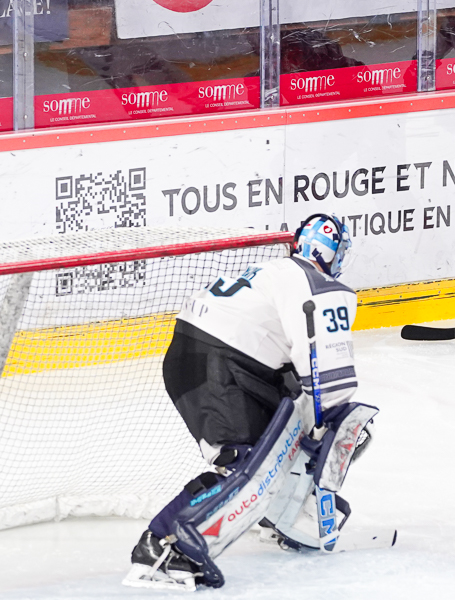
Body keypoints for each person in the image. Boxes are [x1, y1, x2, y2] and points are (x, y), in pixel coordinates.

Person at [123, 214, 378, 591]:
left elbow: (294, 373)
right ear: (333, 254)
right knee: (247, 463)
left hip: (200, 358)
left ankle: (279, 515)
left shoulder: (274, 270)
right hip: (222, 365)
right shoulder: (319, 285)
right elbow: (329, 383)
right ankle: (162, 547)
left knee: (273, 446)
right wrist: (326, 432)